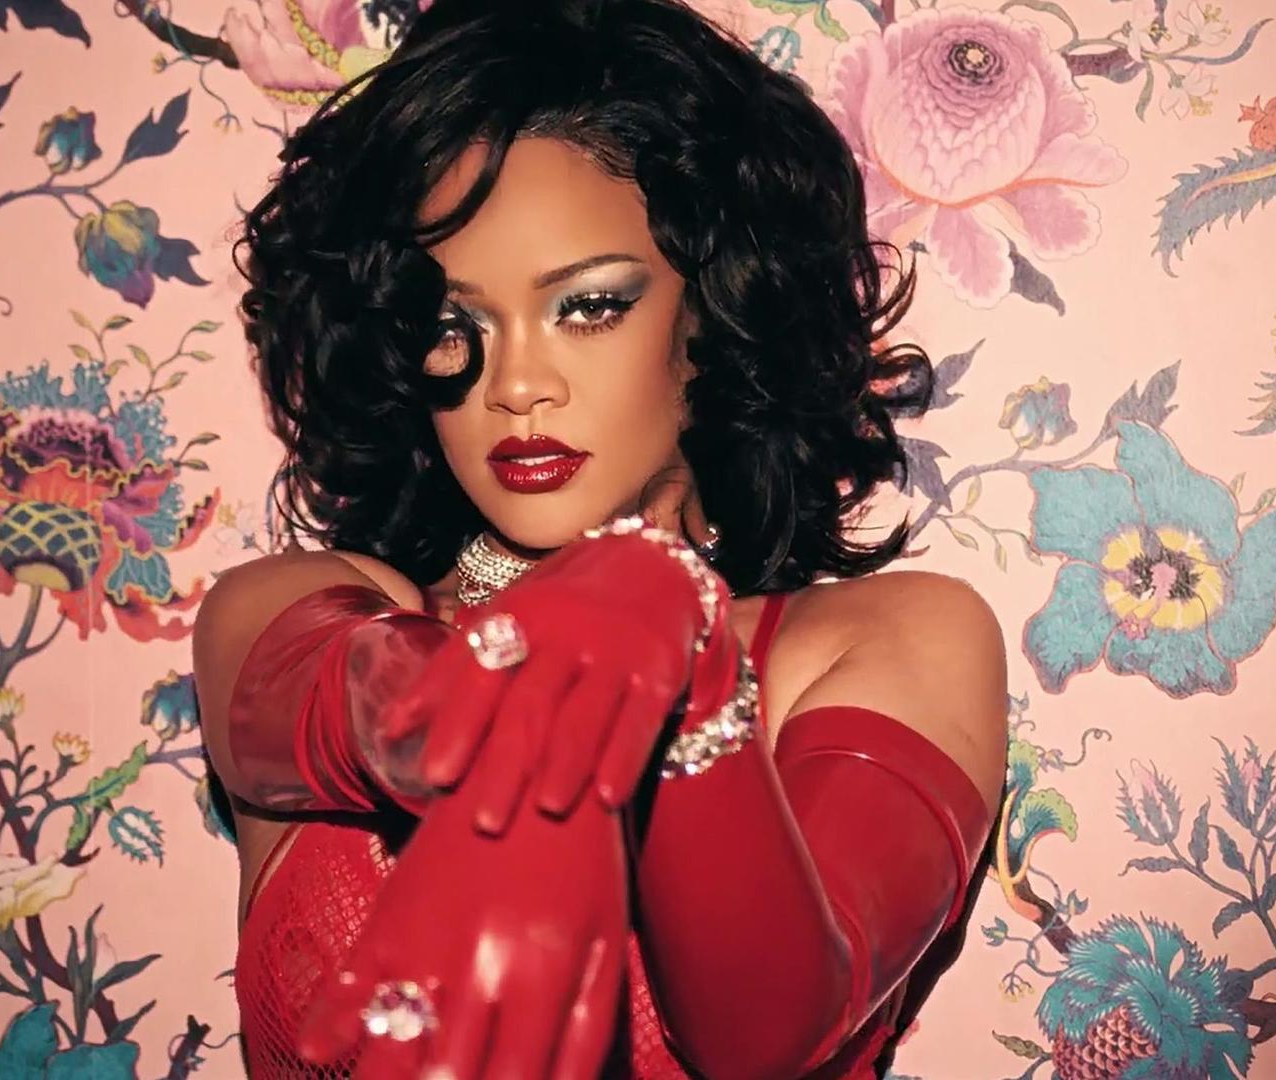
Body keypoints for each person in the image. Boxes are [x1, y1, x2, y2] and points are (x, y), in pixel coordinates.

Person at [191, 0, 1010, 1076]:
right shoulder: (288, 611)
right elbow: (367, 712)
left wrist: (685, 658)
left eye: (586, 307)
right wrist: (566, 660)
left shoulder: (893, 640)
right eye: (451, 324)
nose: (517, 384)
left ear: (711, 312)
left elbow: (768, 1034)